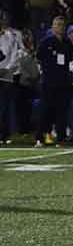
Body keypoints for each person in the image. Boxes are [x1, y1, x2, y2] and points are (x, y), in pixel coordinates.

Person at [35, 15, 73, 146]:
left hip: (63, 82)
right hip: (48, 82)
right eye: (57, 25)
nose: (60, 27)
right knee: (45, 110)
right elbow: (39, 56)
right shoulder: (46, 42)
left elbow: (70, 58)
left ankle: (61, 138)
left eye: (62, 25)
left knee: (61, 111)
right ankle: (40, 137)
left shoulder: (67, 42)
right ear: (52, 27)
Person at [0, 9, 20, 145]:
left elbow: (14, 53)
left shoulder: (11, 35)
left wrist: (9, 68)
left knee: (4, 106)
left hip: (6, 73)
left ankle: (5, 134)